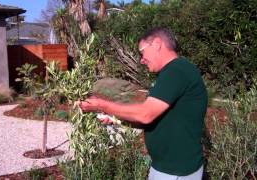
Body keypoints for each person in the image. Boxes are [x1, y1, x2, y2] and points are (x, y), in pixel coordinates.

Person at [77, 27, 207, 180]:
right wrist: (117, 119)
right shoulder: (174, 71)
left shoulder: (175, 71)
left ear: (157, 44)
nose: (141, 59)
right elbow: (157, 118)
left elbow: (145, 114)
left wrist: (101, 105)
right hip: (169, 168)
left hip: (175, 172)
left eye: (142, 52)